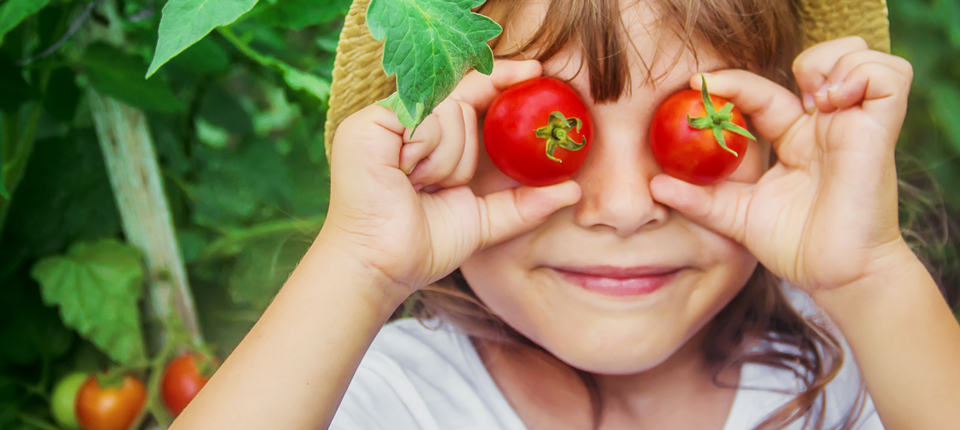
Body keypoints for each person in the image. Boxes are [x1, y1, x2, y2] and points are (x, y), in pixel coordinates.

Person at [169, 0, 960, 429]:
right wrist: (359, 263)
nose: (621, 209)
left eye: (699, 124)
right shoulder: (374, 399)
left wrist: (868, 276)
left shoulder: (868, 378)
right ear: (437, 147)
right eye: (541, 135)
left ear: (777, 137)